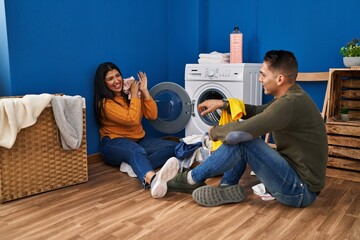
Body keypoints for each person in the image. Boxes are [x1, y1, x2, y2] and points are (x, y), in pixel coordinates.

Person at [165, 50, 328, 207]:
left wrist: (213, 133)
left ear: (279, 79)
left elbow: (239, 132)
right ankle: (227, 186)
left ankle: (191, 179)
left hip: (300, 191)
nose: (259, 79)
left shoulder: (289, 103)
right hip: (296, 181)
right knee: (244, 137)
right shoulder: (292, 96)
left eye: (263, 74)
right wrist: (223, 103)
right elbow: (257, 112)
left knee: (244, 139)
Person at [94, 62, 179, 198]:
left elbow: (152, 115)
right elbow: (132, 119)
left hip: (138, 140)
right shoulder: (105, 104)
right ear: (103, 83)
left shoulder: (129, 96)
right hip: (113, 142)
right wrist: (134, 94)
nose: (116, 81)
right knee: (135, 151)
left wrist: (144, 91)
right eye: (110, 79)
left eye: (118, 76)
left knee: (175, 147)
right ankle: (152, 180)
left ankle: (134, 165)